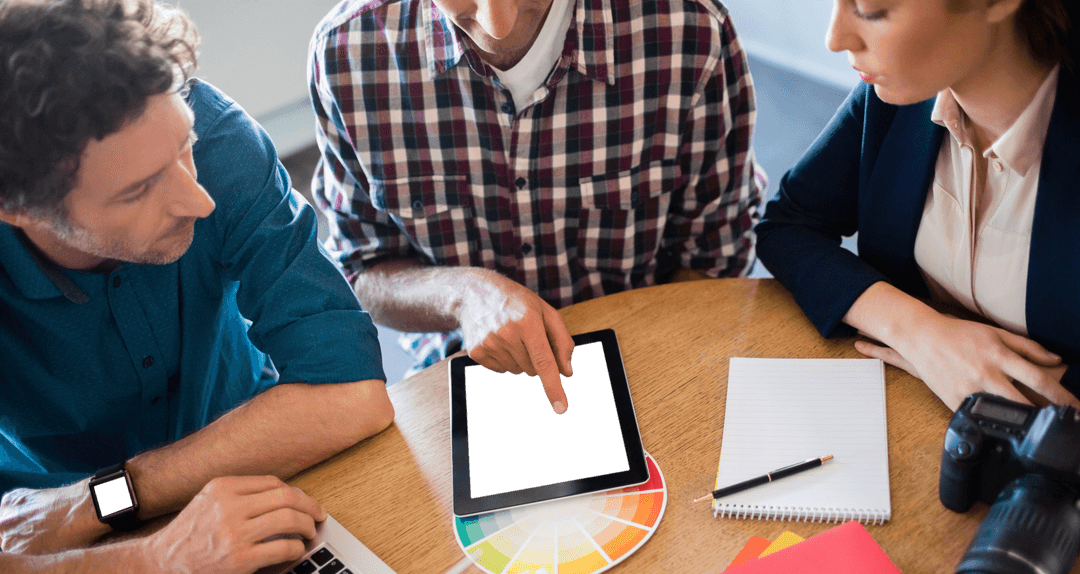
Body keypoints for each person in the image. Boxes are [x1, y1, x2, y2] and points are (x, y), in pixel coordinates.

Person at [0, 0, 394, 574]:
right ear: (17, 209)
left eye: (185, 147)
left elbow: (351, 395)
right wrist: (149, 567)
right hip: (40, 541)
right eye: (137, 190)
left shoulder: (209, 129)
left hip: (249, 469)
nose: (199, 197)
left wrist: (105, 498)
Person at [308, 0, 766, 412]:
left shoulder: (689, 30)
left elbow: (713, 258)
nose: (497, 24)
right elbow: (363, 271)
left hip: (650, 356)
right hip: (460, 376)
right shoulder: (349, 52)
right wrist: (463, 296)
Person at [756, 0, 1079, 411]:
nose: (835, 40)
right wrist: (919, 332)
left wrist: (1032, 379)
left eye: (872, 11)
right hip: (909, 404)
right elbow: (787, 225)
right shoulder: (897, 95)